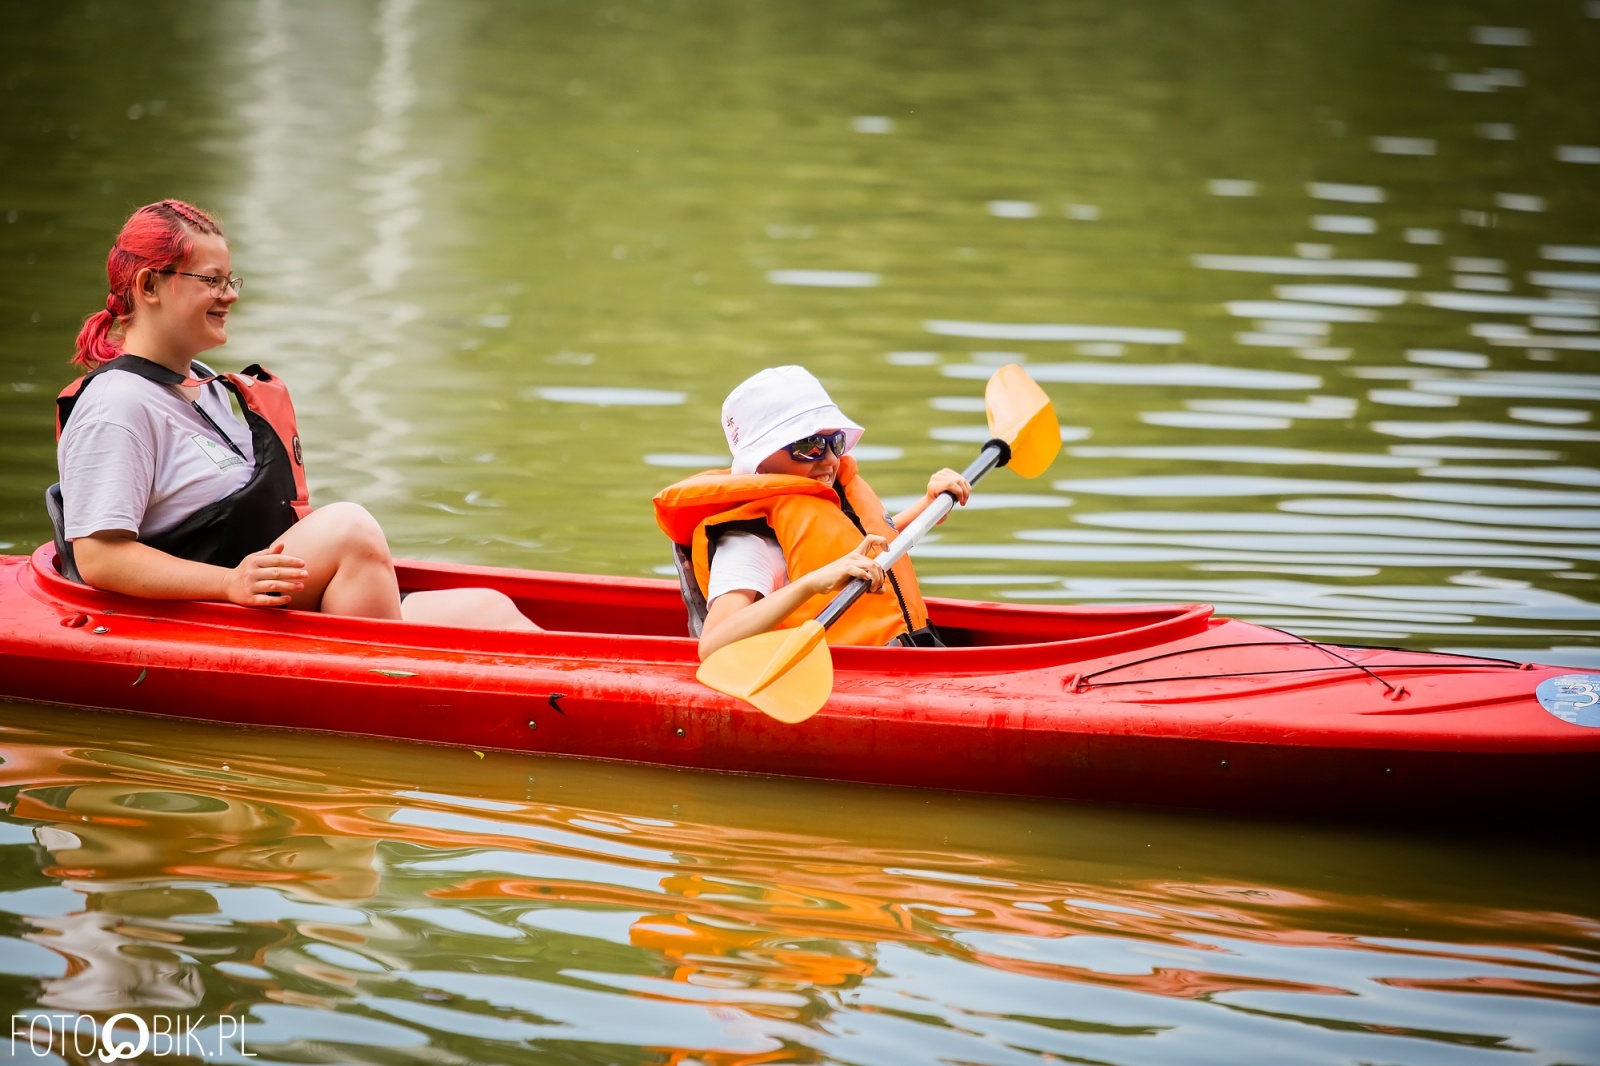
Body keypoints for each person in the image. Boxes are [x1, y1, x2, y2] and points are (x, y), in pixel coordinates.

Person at [54, 199, 535, 630]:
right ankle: (387, 698)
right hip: (209, 614)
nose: (230, 295)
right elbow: (98, 557)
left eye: (230, 280)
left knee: (489, 609)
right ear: (149, 285)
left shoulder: (207, 386)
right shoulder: (117, 404)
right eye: (212, 281)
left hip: (257, 596)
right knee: (350, 529)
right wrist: (227, 584)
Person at [653, 365, 970, 659]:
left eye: (836, 442)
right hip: (840, 681)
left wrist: (926, 507)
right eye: (809, 446)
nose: (830, 459)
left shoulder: (826, 500)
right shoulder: (748, 541)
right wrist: (811, 584)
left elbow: (865, 544)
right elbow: (713, 645)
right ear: (759, 461)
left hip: (908, 660)